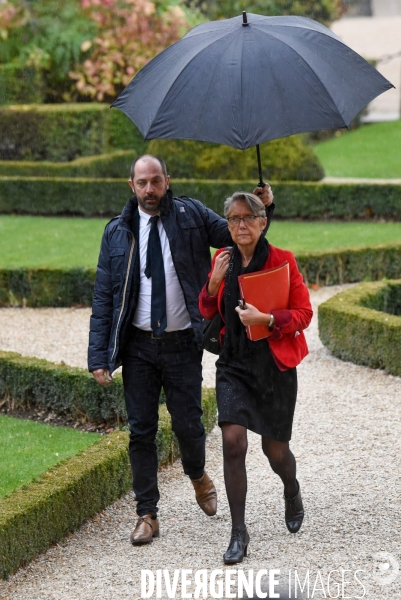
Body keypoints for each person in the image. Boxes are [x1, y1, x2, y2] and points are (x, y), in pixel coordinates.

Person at [88, 155, 274, 545]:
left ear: (167, 180)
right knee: (141, 430)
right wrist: (98, 356)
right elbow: (104, 295)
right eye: (143, 182)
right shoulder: (117, 231)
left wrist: (261, 209)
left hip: (182, 343)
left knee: (189, 424)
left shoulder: (190, 215)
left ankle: (196, 473)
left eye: (156, 181)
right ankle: (147, 513)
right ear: (132, 185)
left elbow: (240, 236)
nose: (150, 189)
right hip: (138, 345)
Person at [198, 191, 313, 564]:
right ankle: (238, 532)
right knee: (233, 443)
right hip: (233, 365)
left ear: (264, 222)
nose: (240, 225)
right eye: (233, 219)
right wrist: (213, 284)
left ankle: (291, 489)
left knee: (274, 451)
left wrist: (266, 320)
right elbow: (205, 307)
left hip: (275, 368)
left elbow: (303, 314)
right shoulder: (223, 259)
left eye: (248, 218)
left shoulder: (282, 261)